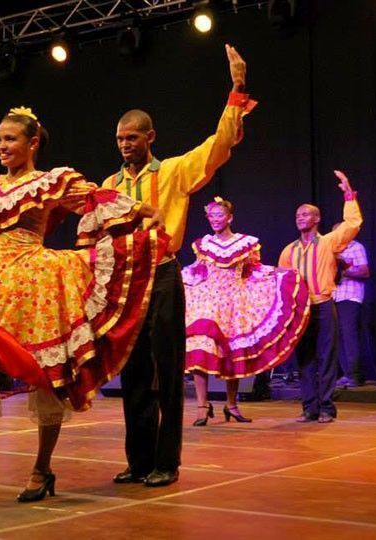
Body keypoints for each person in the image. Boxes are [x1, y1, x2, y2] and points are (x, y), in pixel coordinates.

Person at [0, 106, 165, 506]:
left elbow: (92, 198)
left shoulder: (50, 181)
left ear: (33, 143)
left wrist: (145, 211)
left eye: (10, 139)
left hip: (34, 286)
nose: (1, 146)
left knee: (46, 379)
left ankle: (42, 467)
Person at [101, 44, 256, 487]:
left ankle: (166, 461)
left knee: (167, 370)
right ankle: (138, 459)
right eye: (119, 138)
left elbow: (219, 145)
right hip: (128, 281)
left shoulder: (170, 172)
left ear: (150, 137)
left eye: (132, 137)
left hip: (164, 274)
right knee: (132, 372)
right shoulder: (111, 185)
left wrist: (237, 88)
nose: (125, 144)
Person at [183, 197, 309, 425]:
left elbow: (254, 270)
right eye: (211, 216)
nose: (215, 220)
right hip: (208, 301)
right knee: (200, 348)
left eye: (219, 215)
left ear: (230, 217)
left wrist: (280, 273)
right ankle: (202, 405)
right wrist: (181, 277)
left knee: (233, 352)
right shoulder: (204, 244)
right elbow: (198, 270)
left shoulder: (245, 243)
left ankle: (231, 405)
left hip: (235, 303)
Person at [278, 170, 362, 423]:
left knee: (326, 356)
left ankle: (326, 407)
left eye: (305, 214)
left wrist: (348, 194)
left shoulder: (328, 242)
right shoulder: (288, 250)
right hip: (300, 310)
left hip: (324, 304)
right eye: (297, 215)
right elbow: (282, 281)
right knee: (305, 358)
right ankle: (309, 408)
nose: (300, 218)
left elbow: (353, 224)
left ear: (317, 218)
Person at [332, 232, 376, 387]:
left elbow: (365, 272)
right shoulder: (333, 250)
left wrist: (344, 270)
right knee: (339, 336)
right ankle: (346, 373)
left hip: (350, 296)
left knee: (349, 335)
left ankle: (355, 375)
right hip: (335, 296)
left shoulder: (356, 247)